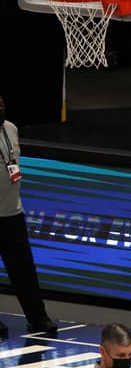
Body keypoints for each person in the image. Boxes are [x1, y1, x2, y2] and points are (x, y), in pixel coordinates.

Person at [0, 92, 58, 338]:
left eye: (2, 103)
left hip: (13, 213)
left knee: (24, 270)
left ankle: (38, 317)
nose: (1, 108)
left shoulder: (10, 129)